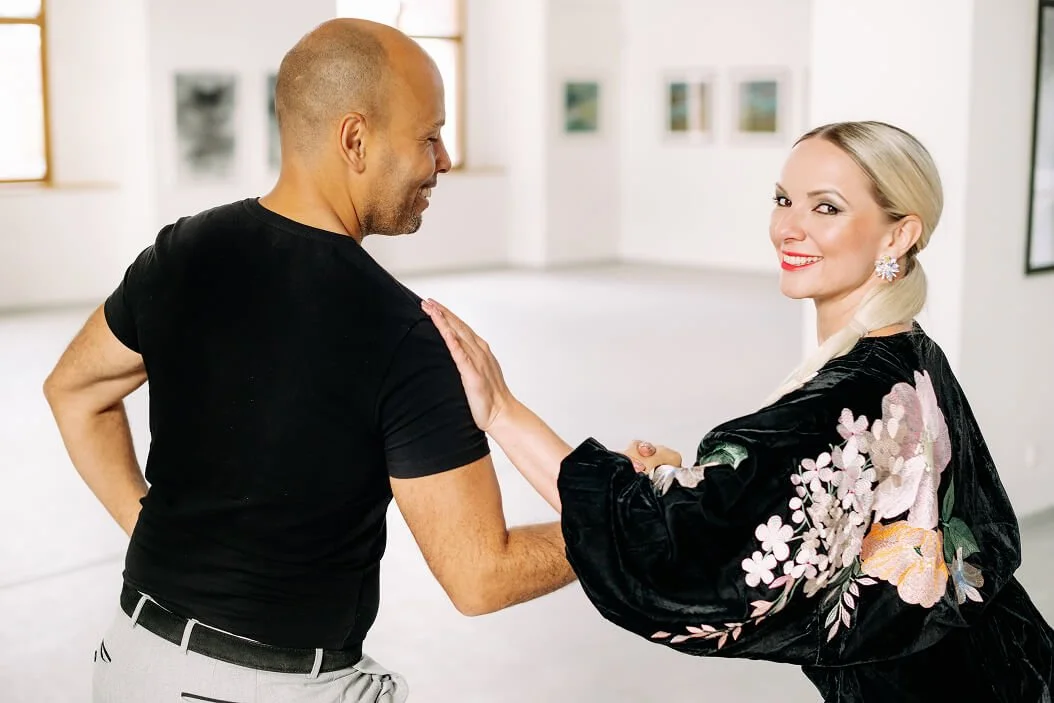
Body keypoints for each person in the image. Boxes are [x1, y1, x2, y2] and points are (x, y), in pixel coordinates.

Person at [42, 18, 580, 703]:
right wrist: (613, 528)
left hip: (131, 662)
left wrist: (144, 523)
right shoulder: (404, 335)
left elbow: (74, 389)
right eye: (429, 135)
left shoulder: (182, 253)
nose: (442, 159)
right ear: (356, 139)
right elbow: (481, 575)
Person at [421, 120, 1054, 701]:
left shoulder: (845, 399)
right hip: (1008, 661)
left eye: (826, 207)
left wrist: (502, 409)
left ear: (899, 233)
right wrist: (680, 481)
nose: (789, 228)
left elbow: (675, 544)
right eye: (783, 200)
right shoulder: (909, 352)